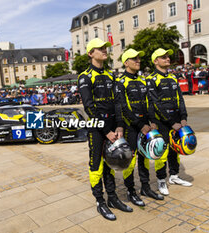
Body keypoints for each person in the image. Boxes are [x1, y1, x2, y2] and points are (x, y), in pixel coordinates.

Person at [78, 38, 132, 221]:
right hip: (97, 130)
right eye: (100, 48)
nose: (104, 50)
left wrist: (119, 126)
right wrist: (105, 131)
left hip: (112, 127)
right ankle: (100, 201)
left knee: (111, 163)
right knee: (96, 165)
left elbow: (118, 103)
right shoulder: (85, 76)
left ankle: (113, 198)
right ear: (90, 53)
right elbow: (89, 107)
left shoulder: (111, 76)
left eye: (105, 48)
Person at [117, 49, 165, 207]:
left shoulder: (143, 80)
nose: (138, 60)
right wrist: (140, 125)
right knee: (130, 161)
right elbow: (124, 108)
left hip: (146, 126)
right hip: (131, 128)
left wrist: (152, 121)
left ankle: (145, 187)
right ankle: (130, 191)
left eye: (139, 58)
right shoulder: (120, 81)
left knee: (145, 157)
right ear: (126, 62)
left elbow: (149, 103)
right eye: (134, 58)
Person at [146, 48, 192, 196]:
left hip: (177, 120)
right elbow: (155, 104)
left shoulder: (173, 78)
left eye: (167, 56)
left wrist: (183, 117)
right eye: (163, 57)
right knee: (162, 151)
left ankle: (174, 176)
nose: (167, 59)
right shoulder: (151, 79)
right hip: (162, 122)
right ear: (155, 61)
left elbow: (180, 99)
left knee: (175, 149)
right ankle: (161, 180)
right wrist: (171, 122)